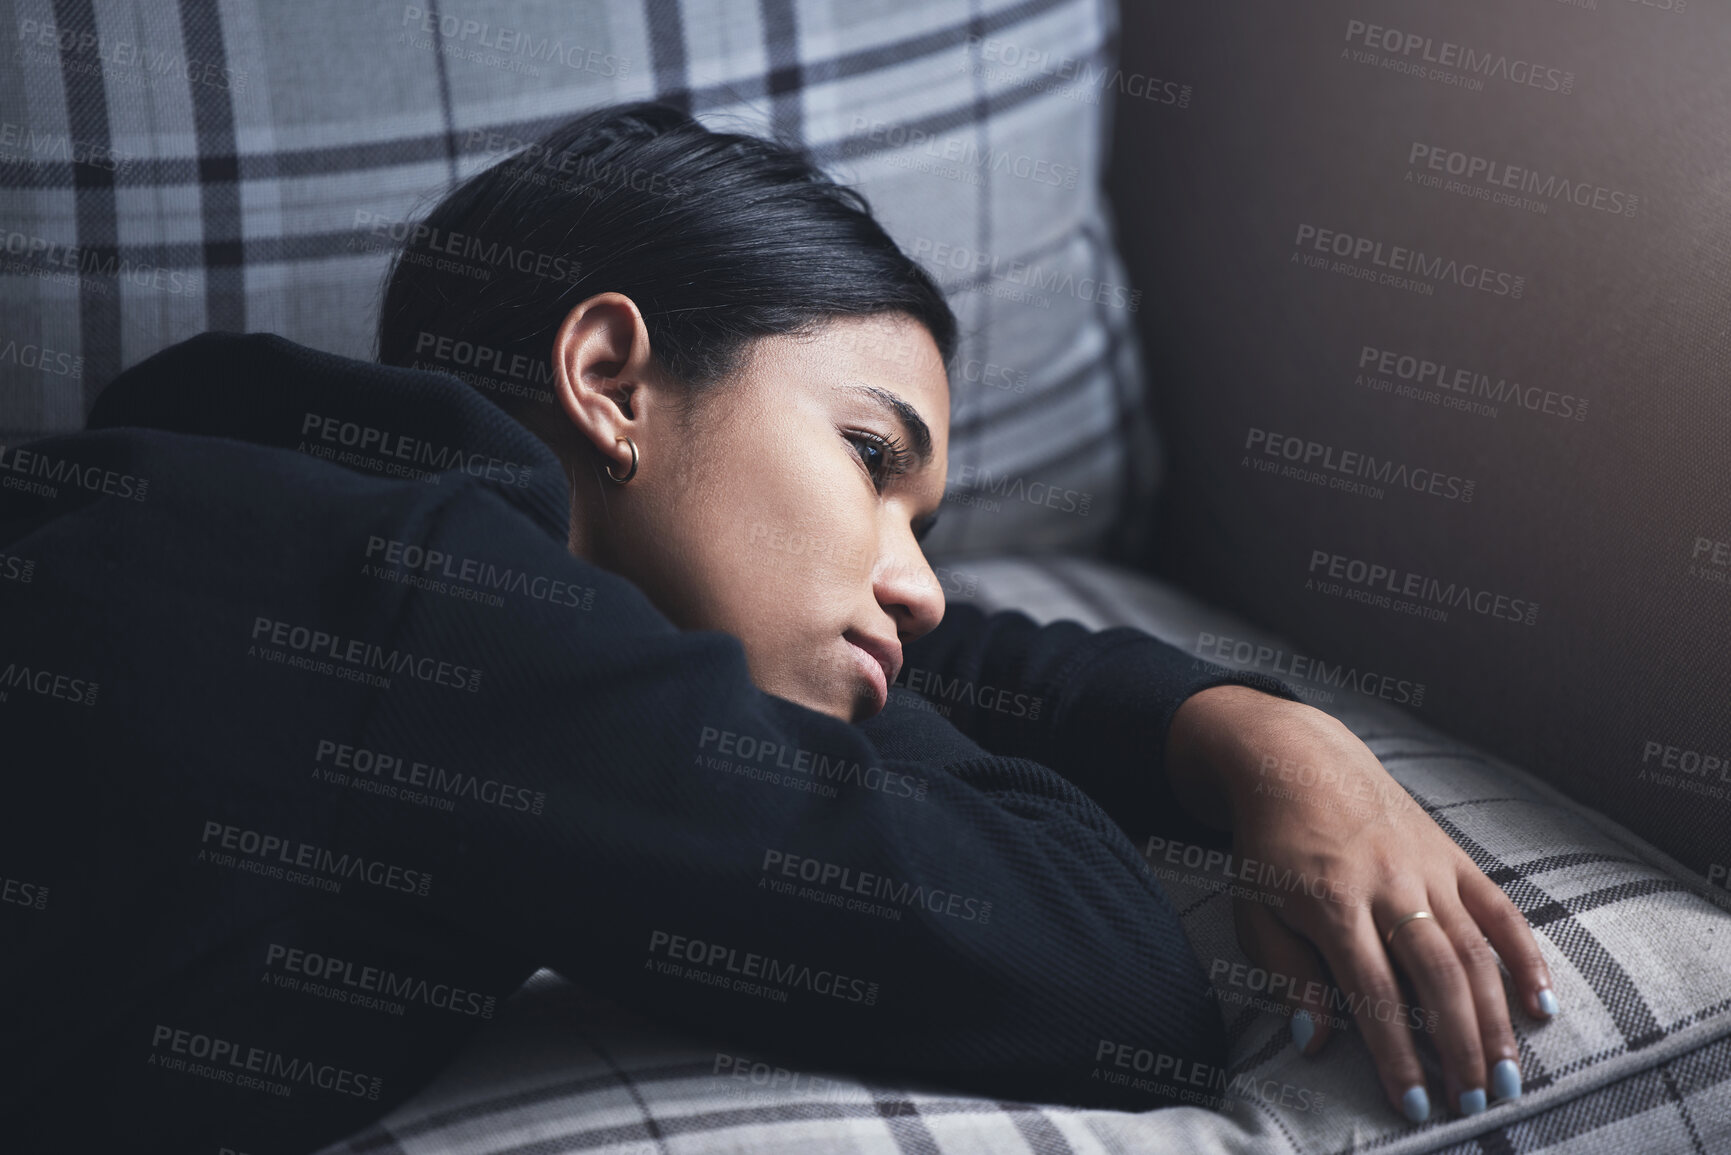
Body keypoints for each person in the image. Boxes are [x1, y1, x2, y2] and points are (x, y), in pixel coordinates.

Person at [0, 102, 1552, 1154]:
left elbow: (905, 658)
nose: (924, 586)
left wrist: (1254, 732)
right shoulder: (440, 614)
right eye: (871, 461)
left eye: (925, 530)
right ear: (609, 376)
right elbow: (1103, 974)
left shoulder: (315, 522)